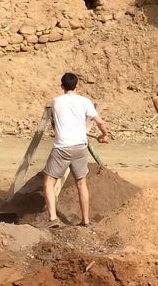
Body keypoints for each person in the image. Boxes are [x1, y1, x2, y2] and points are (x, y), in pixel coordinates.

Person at [44, 72, 110, 228]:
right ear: (77, 85)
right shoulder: (85, 101)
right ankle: (85, 221)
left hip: (62, 147)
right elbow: (100, 122)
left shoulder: (55, 101)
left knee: (48, 182)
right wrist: (104, 135)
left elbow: (56, 120)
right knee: (81, 184)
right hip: (80, 147)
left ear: (62, 86)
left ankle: (53, 218)